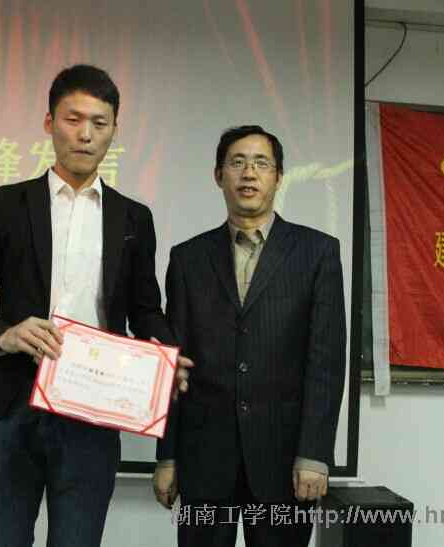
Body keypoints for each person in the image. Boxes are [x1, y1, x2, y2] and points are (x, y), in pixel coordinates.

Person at [0, 64, 190, 547]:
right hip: (11, 402)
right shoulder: (7, 204)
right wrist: (4, 335)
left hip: (93, 412)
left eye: (99, 123)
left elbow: (145, 309)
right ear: (49, 122)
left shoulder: (133, 218)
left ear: (114, 130)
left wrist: (165, 353)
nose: (85, 134)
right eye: (73, 119)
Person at [153, 125, 346, 547]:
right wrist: (167, 456)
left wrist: (315, 453)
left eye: (261, 163)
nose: (249, 173)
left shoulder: (317, 252)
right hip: (204, 458)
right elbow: (172, 364)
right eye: (237, 162)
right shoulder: (188, 258)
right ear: (218, 175)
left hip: (285, 460)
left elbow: (326, 362)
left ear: (279, 177)